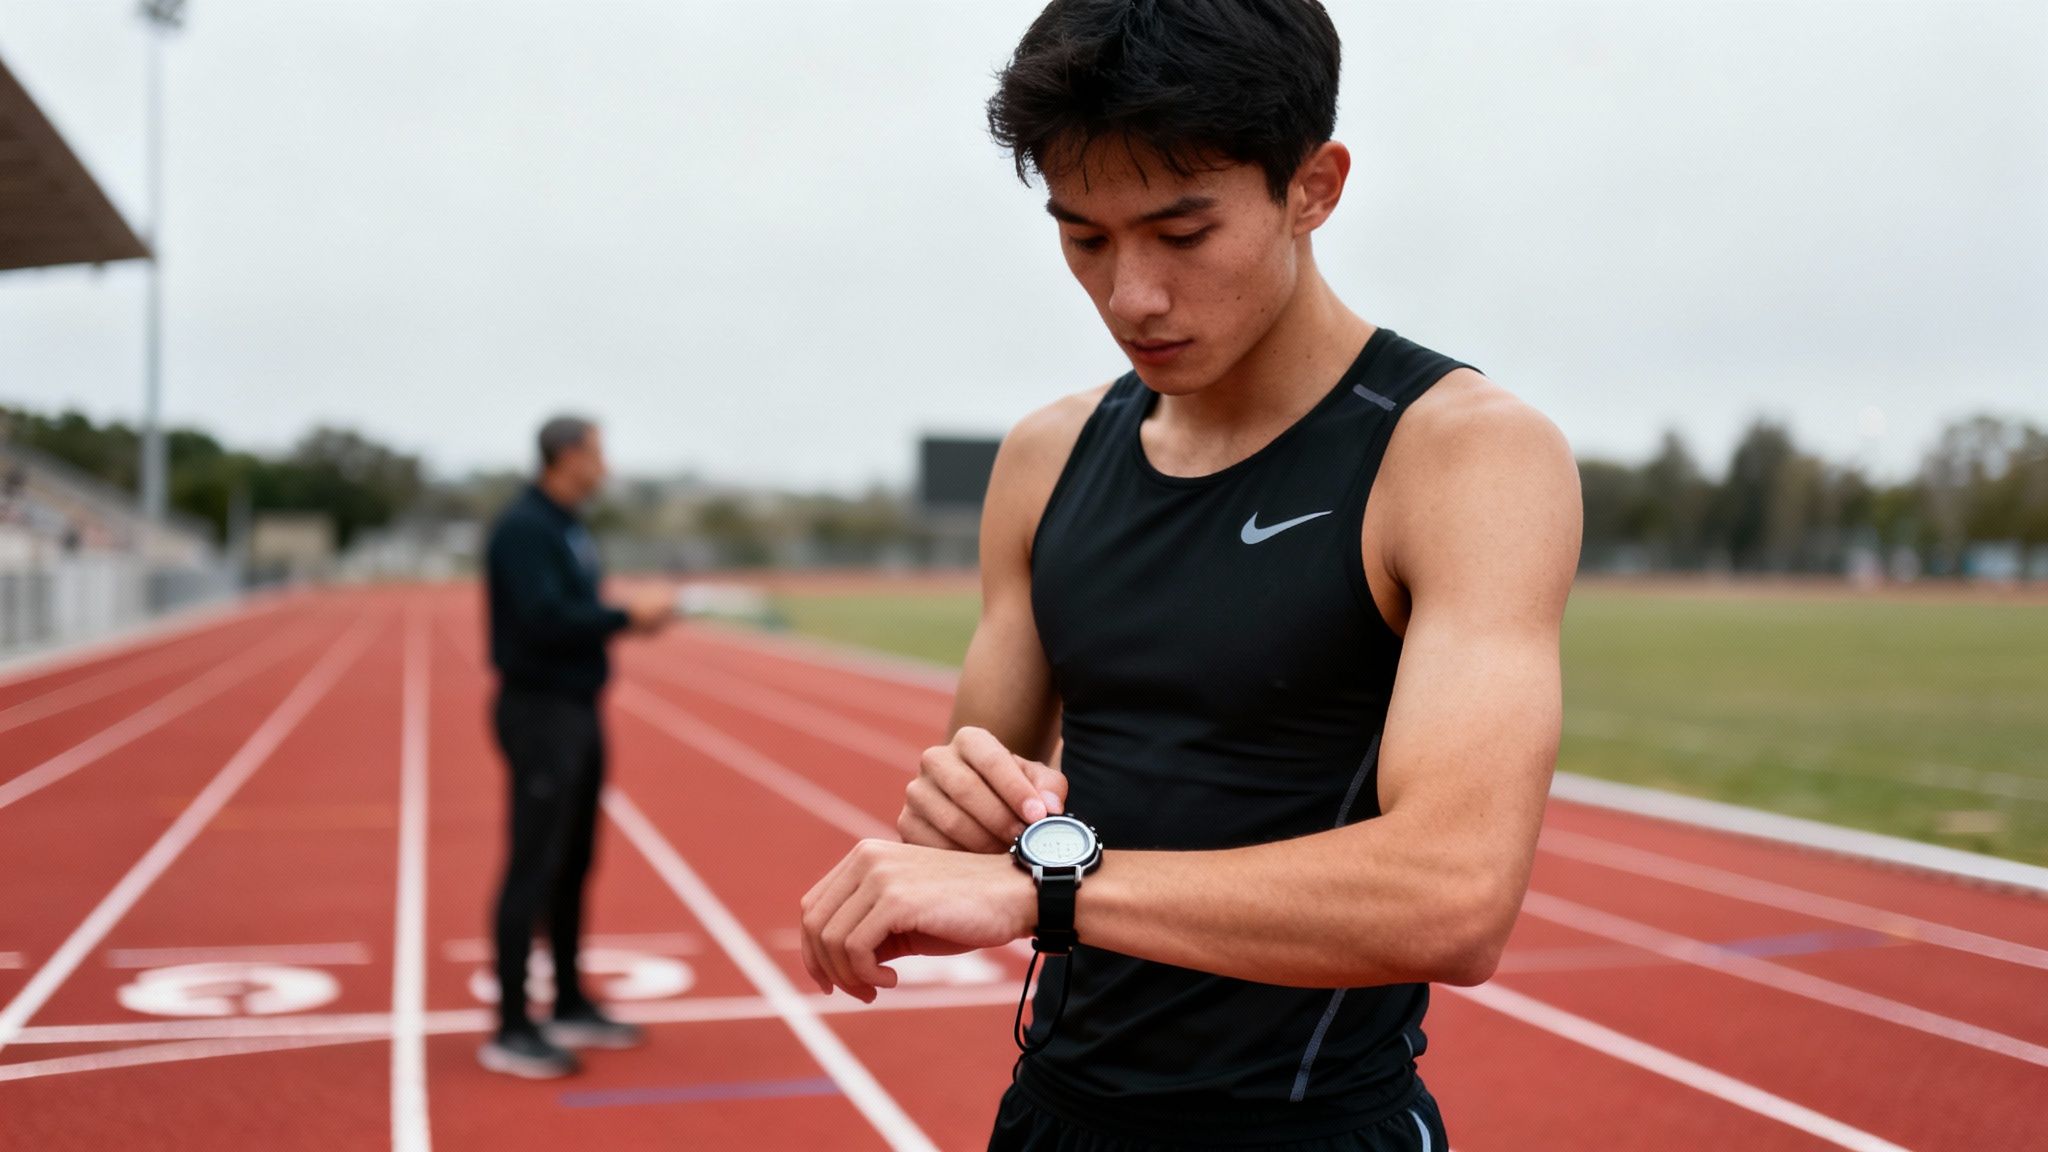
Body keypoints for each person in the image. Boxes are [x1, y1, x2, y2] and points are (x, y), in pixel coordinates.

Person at [798, 1, 1581, 1147]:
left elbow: (1454, 895)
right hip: (1052, 1118)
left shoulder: (1457, 455)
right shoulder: (1045, 457)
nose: (1131, 298)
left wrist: (1048, 893)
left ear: (1312, 186)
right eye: (1084, 239)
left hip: (1309, 1130)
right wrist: (956, 809)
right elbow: (975, 838)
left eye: (1180, 232)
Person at [477, 415, 674, 1079]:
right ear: (566, 456)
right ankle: (510, 1026)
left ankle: (564, 999)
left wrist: (621, 620)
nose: (605, 466)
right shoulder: (525, 527)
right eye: (596, 453)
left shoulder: (566, 524)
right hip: (540, 711)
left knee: (573, 860)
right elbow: (540, 619)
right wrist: (625, 616)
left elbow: (566, 610)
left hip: (577, 710)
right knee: (532, 865)